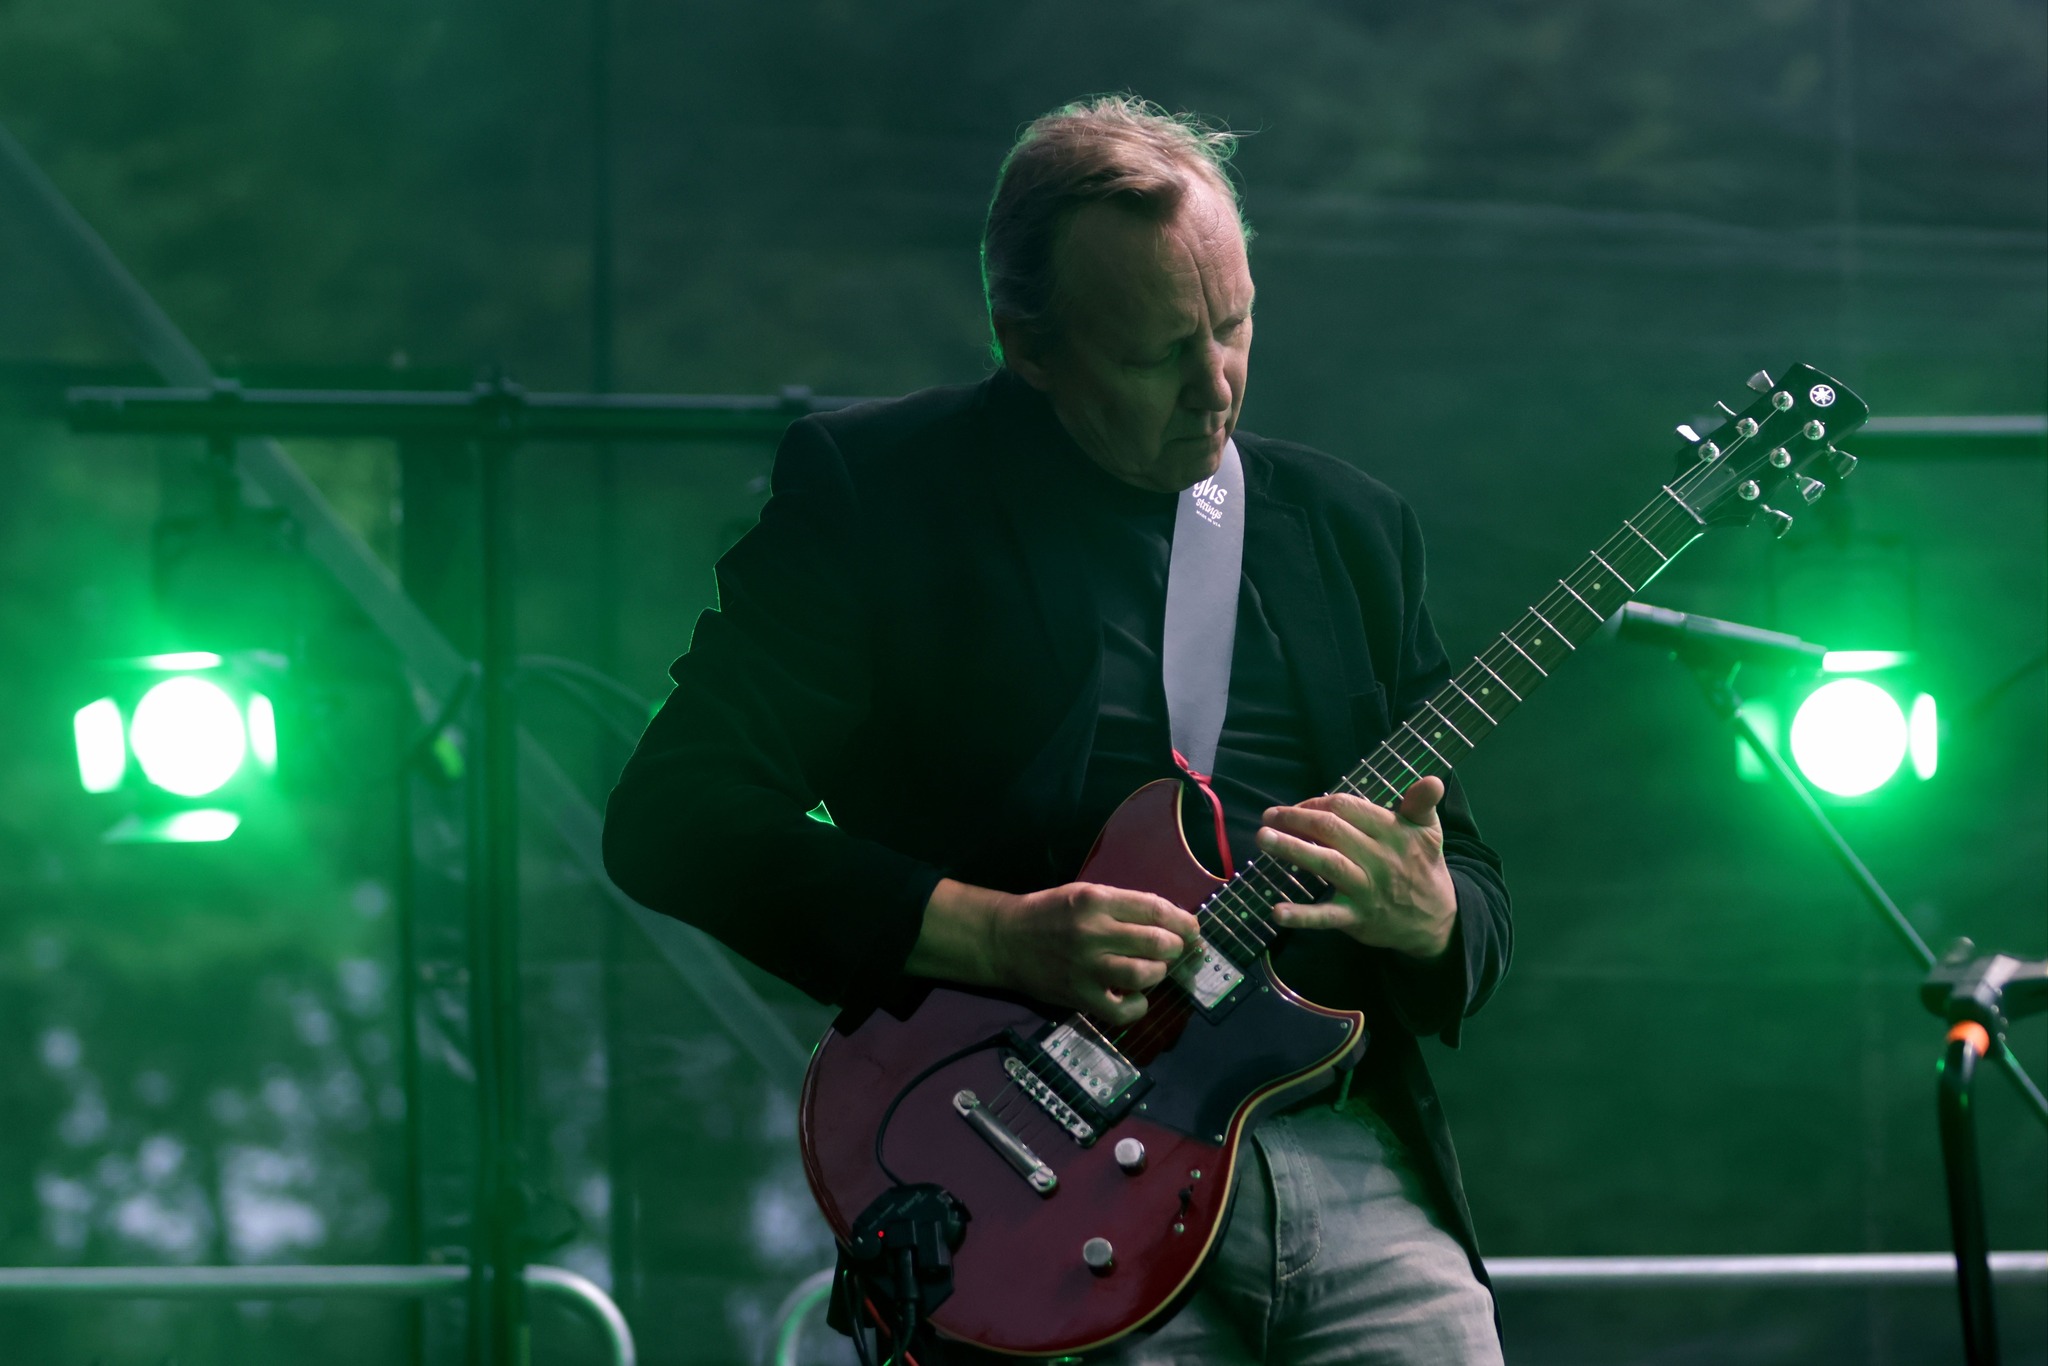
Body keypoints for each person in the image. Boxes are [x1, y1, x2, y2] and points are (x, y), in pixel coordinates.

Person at [604, 95, 1511, 1365]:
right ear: (1027, 345)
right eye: (1156, 353)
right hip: (1038, 1184)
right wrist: (996, 931)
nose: (1214, 385)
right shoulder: (880, 497)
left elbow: (1467, 888)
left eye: (1234, 324)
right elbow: (674, 813)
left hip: (1343, 1155)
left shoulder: (1348, 528)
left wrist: (1433, 915)